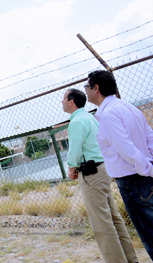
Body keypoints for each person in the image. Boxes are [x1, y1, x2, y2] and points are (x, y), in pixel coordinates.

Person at [62, 88, 137, 263]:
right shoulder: (90, 118)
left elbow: (75, 151)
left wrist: (72, 168)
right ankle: (131, 258)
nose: (62, 102)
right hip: (103, 169)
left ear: (71, 101)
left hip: (91, 173)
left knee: (101, 223)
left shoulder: (77, 122)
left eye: (63, 99)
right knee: (113, 218)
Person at [86, 69, 153, 259]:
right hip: (144, 176)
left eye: (87, 86)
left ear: (96, 88)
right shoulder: (128, 107)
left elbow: (127, 150)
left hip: (134, 181)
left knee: (149, 236)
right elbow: (150, 138)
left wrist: (148, 170)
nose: (86, 90)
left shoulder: (108, 115)